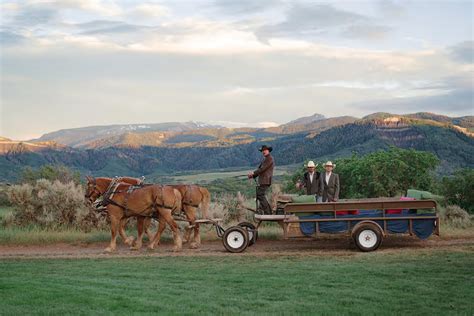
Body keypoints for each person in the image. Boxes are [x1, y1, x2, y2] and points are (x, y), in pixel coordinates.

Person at [248, 145, 275, 214]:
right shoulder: (265, 159)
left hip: (265, 180)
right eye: (262, 150)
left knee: (260, 195)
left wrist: (253, 173)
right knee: (259, 195)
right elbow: (260, 169)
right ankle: (264, 210)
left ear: (268, 150)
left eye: (265, 150)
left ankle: (268, 213)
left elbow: (262, 169)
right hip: (263, 181)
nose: (263, 151)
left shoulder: (269, 158)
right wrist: (253, 175)